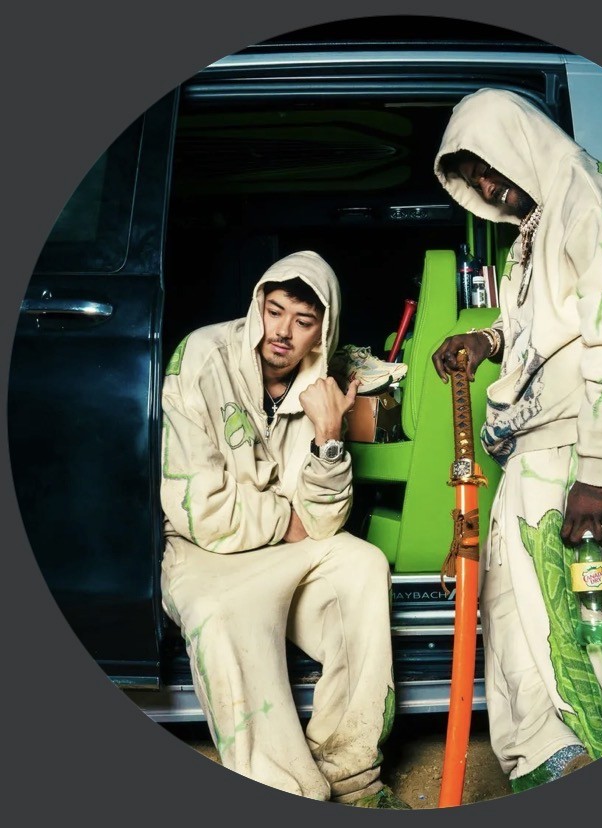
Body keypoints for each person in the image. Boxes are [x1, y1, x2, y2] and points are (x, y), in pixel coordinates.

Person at [431, 88, 602, 789]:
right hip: (530, 438)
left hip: (573, 440)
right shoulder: (535, 224)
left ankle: (584, 762)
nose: (485, 186)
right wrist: (485, 337)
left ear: (517, 141)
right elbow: (545, 324)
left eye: (488, 167)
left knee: (564, 634)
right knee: (517, 618)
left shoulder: (591, 197)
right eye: (472, 178)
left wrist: (595, 473)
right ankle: (541, 764)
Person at [159, 249, 410, 808]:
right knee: (222, 617)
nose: (282, 333)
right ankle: (284, 790)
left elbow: (321, 523)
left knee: (362, 564)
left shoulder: (324, 385)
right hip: (204, 553)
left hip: (281, 544)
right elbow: (201, 511)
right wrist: (285, 518)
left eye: (302, 322)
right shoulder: (202, 356)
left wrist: (328, 437)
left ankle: (350, 772)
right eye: (274, 312)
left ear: (322, 331)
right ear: (257, 307)